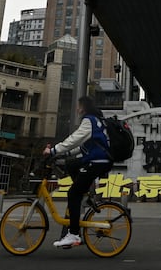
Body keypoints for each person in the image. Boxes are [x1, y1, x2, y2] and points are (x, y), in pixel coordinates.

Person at [43, 95, 112, 248]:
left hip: (96, 162)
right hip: (98, 160)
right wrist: (64, 154)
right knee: (72, 164)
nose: (77, 108)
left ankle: (74, 234)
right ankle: (86, 193)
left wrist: (53, 150)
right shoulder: (97, 121)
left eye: (78, 106)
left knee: (73, 194)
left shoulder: (89, 121)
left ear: (83, 107)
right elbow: (82, 147)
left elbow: (74, 139)